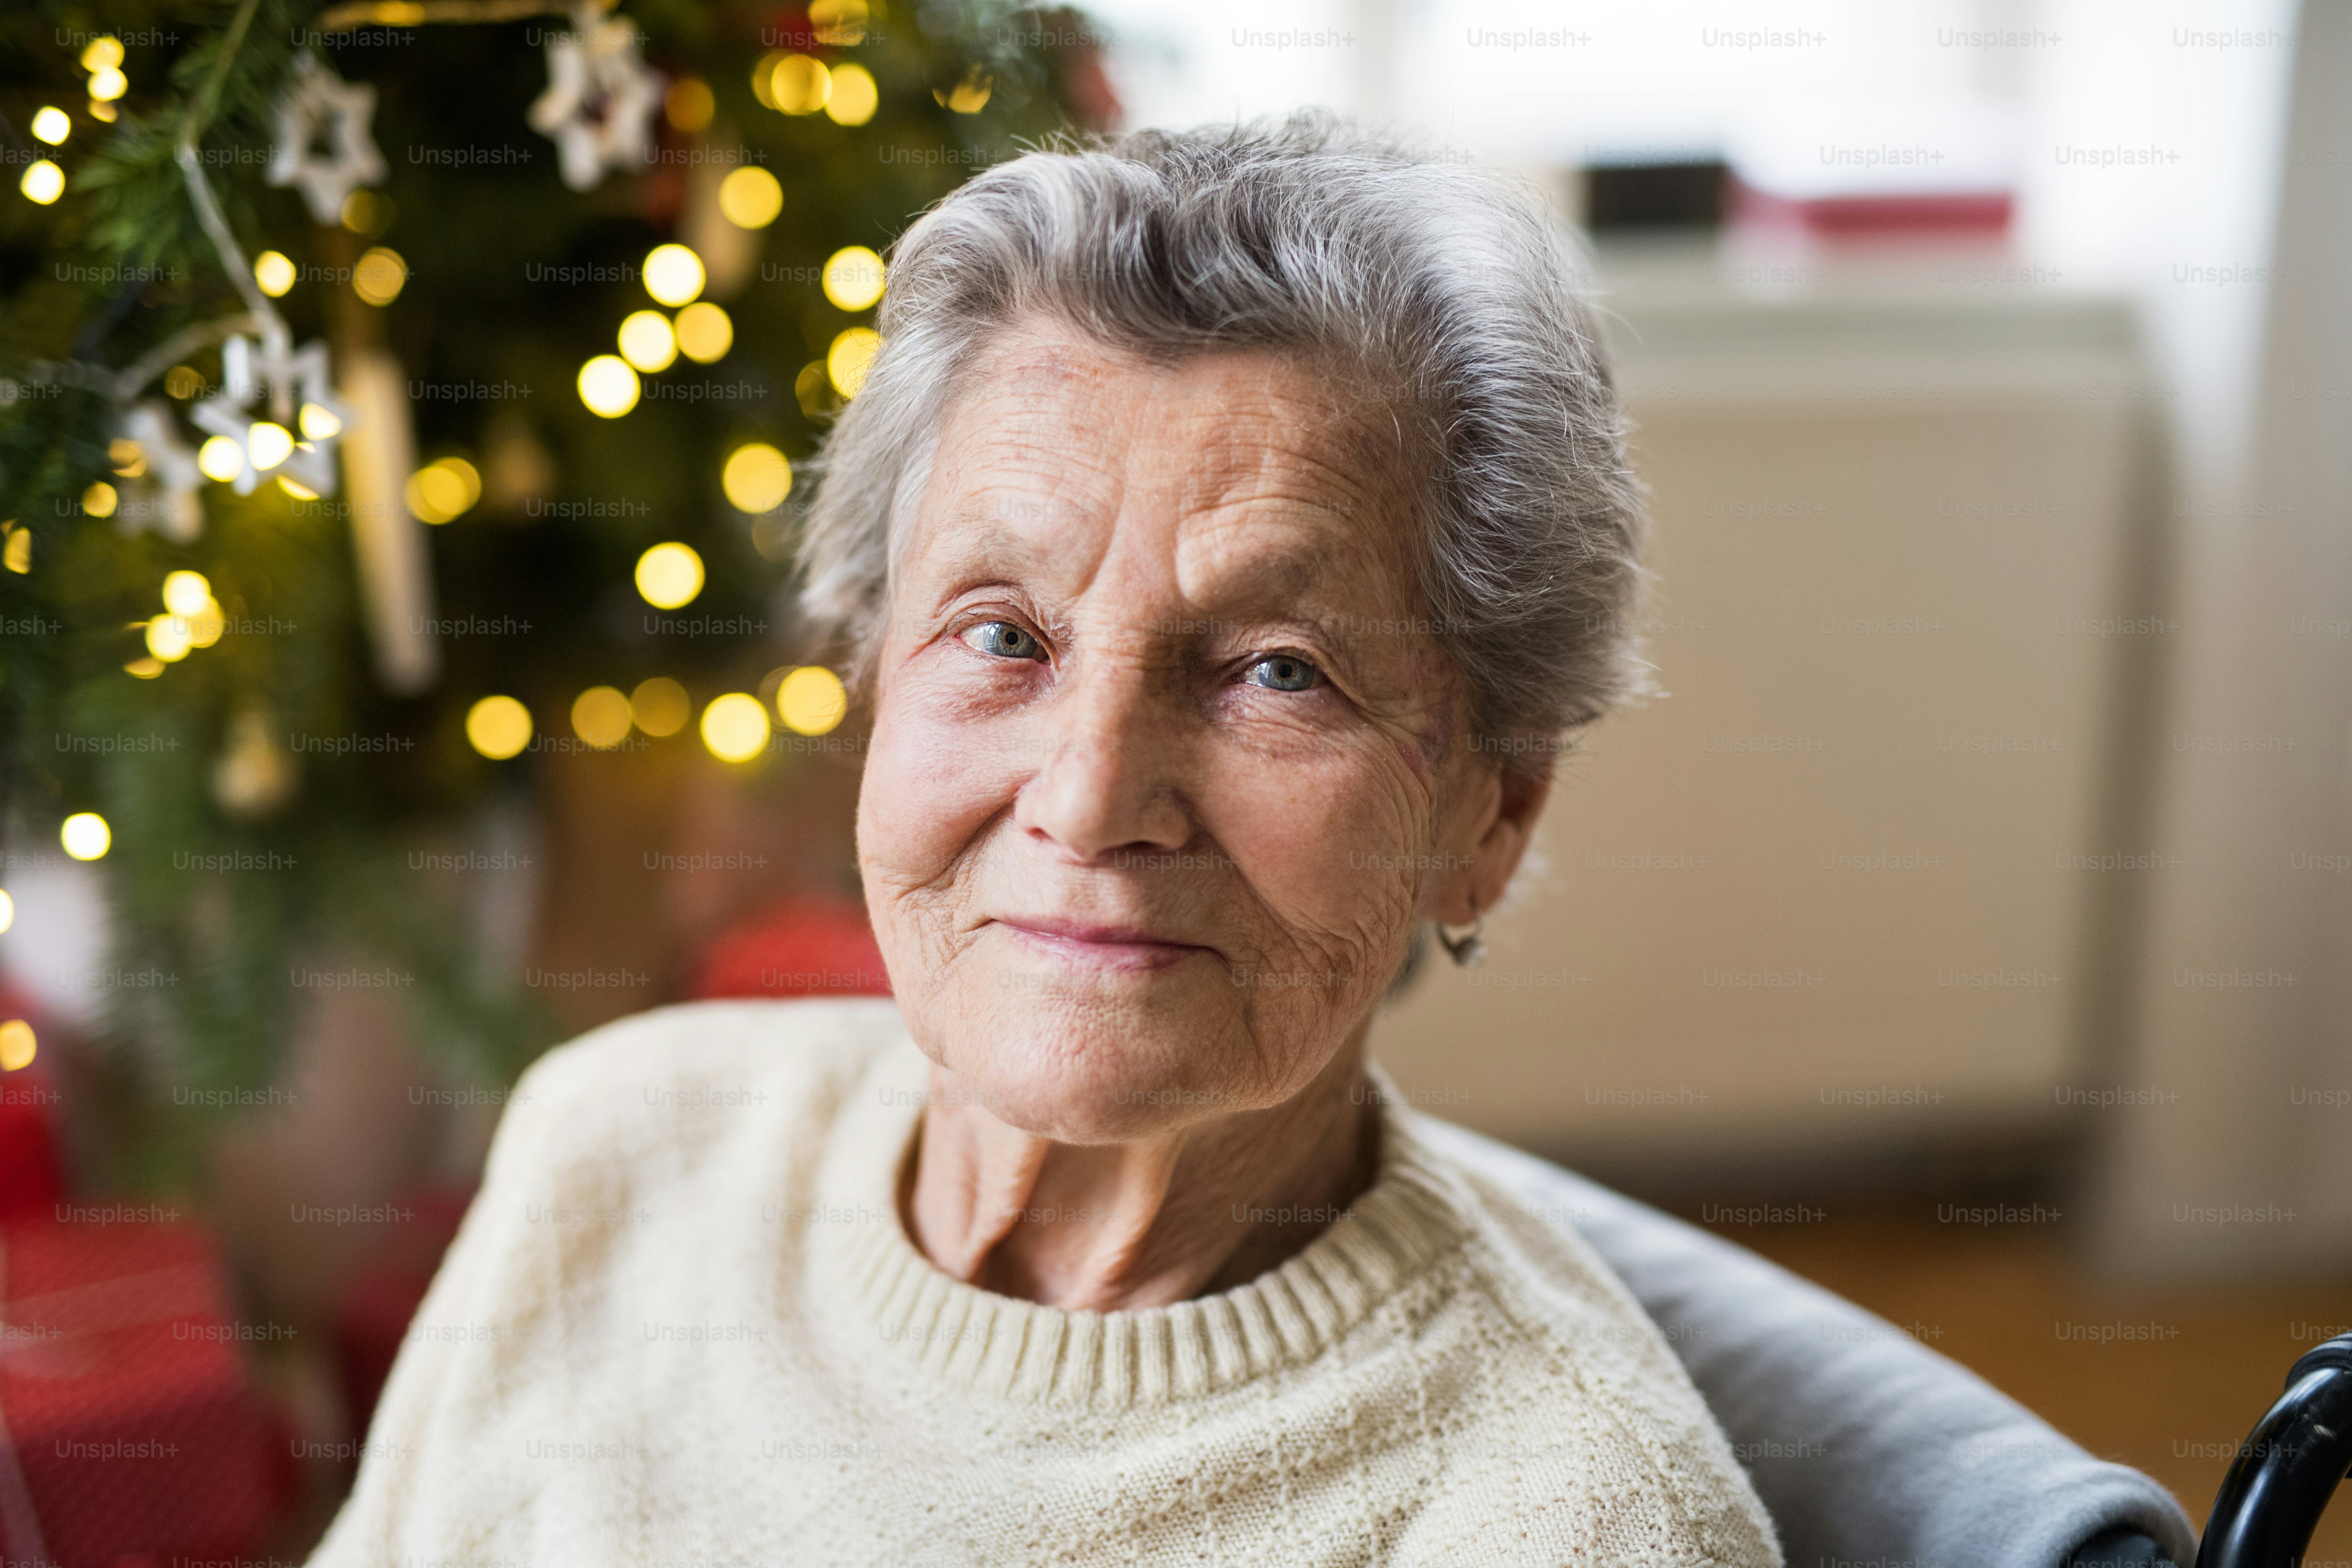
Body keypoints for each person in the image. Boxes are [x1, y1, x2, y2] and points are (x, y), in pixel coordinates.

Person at [309, 114, 1782, 1567]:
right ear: (871, 681)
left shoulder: (1573, 1525)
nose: (1086, 798)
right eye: (1004, 635)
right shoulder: (613, 1146)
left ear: (1492, 813)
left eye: (1281, 670)